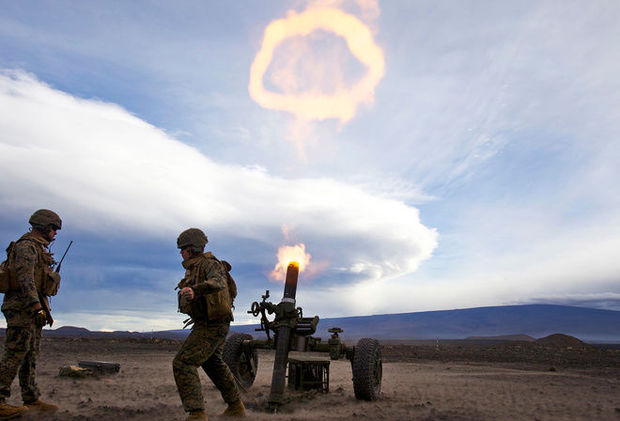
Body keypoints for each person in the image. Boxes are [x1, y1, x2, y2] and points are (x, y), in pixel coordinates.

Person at [173, 228, 245, 421]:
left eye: (183, 249)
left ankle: (197, 414)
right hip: (210, 323)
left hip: (212, 324)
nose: (181, 252)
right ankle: (236, 407)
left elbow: (218, 283)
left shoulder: (209, 265)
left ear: (192, 248)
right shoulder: (195, 267)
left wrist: (195, 291)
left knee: (183, 362)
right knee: (213, 363)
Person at [0, 209, 62, 418]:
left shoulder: (38, 249)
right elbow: (25, 279)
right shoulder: (26, 247)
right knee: (14, 353)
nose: (55, 233)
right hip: (21, 309)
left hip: (33, 310)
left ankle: (30, 397)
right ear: (43, 226)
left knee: (30, 354)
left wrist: (39, 308)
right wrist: (36, 306)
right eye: (53, 228)